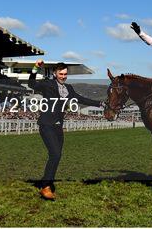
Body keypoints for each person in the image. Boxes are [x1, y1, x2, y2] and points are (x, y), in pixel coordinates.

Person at [28, 60, 103, 200]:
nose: (63, 76)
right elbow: (31, 84)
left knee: (56, 156)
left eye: (65, 74)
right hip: (46, 125)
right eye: (61, 74)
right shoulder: (48, 84)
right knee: (55, 154)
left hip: (58, 127)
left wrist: (100, 103)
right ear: (55, 73)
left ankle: (47, 182)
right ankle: (45, 187)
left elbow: (81, 98)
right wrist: (35, 68)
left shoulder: (69, 88)